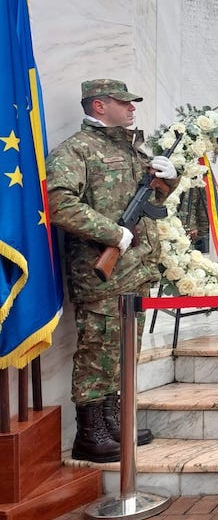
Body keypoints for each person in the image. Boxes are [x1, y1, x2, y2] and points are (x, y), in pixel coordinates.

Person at [46, 79, 179, 462]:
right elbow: (59, 202)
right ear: (100, 105)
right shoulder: (77, 150)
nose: (132, 107)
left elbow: (154, 197)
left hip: (136, 271)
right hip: (102, 275)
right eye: (125, 102)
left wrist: (169, 178)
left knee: (123, 353)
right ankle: (90, 434)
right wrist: (112, 233)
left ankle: (113, 423)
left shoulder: (130, 147)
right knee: (97, 353)